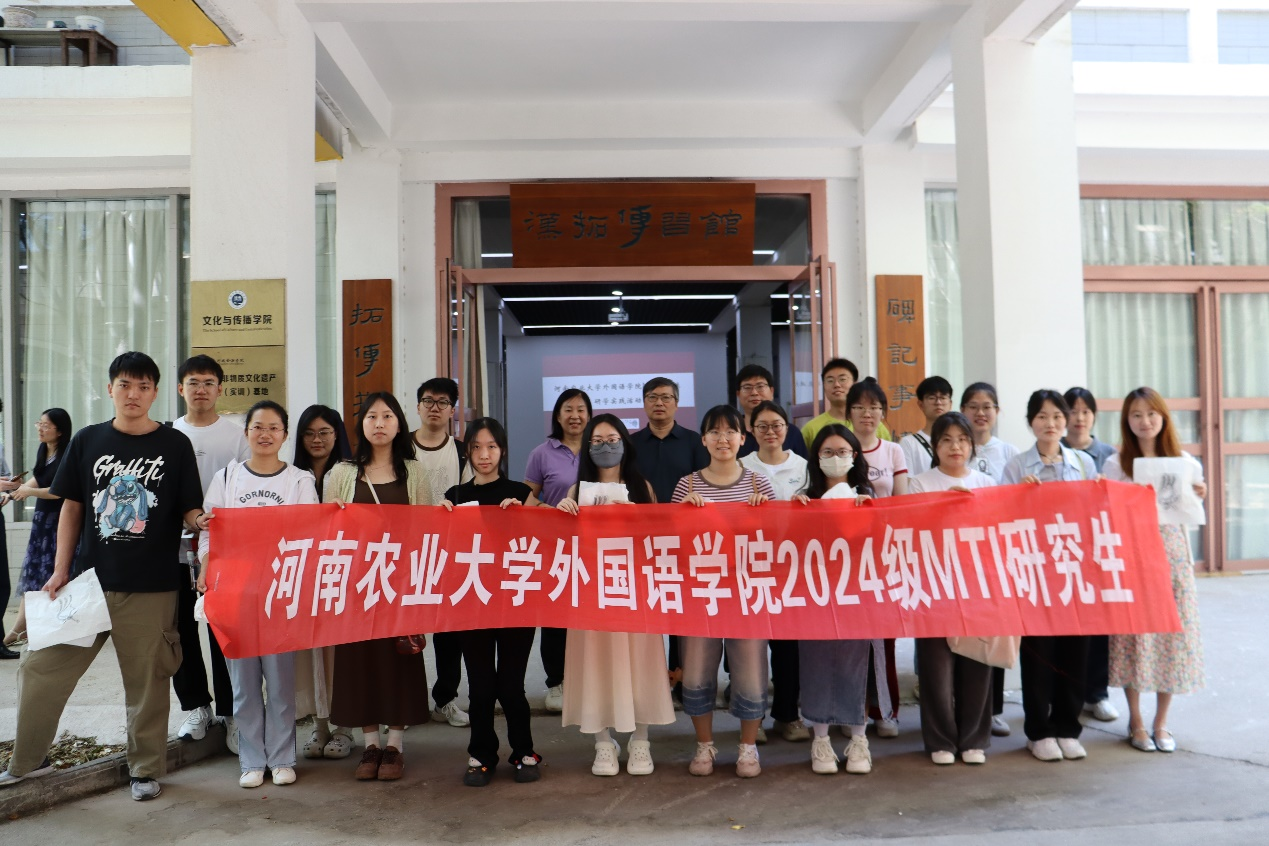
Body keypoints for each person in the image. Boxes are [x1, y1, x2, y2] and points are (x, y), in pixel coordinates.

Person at [0, 352, 206, 801]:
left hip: (152, 587)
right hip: (89, 584)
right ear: (110, 388)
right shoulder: (88, 440)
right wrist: (60, 570)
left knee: (147, 684)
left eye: (143, 387)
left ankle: (145, 770)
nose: (133, 394)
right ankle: (29, 761)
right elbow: (71, 507)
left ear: (155, 393)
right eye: (125, 385)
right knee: (39, 667)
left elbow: (189, 507)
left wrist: (202, 521)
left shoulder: (174, 445)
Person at [197, 400, 319, 788]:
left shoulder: (299, 481)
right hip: (236, 593)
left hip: (280, 594)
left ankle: (281, 758)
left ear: (285, 435)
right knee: (243, 682)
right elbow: (209, 532)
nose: (265, 434)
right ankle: (251, 760)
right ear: (247, 432)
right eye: (257, 427)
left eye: (273, 428)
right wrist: (205, 566)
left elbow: (310, 534)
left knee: (281, 682)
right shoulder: (227, 478)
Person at [556, 414, 674, 776]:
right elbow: (563, 547)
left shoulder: (642, 488)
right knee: (595, 664)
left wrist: (639, 518)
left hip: (633, 592)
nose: (604, 447)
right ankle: (603, 742)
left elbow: (659, 542)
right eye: (596, 441)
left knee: (640, 663)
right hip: (592, 593)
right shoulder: (576, 491)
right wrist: (561, 515)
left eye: (612, 439)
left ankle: (641, 740)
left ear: (625, 443)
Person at [324, 392, 429, 782]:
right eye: (372, 416)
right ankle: (370, 744)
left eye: (387, 416)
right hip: (356, 584)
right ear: (361, 425)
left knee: (399, 657)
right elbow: (326, 531)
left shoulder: (413, 472)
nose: (379, 423)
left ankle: (395, 745)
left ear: (399, 424)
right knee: (359, 660)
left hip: (400, 583)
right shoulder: (342, 472)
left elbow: (426, 529)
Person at [671, 404, 776, 778]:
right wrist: (682, 515)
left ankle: (748, 748)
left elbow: (778, 542)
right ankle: (704, 745)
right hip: (701, 595)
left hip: (747, 595)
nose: (722, 439)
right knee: (696, 673)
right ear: (703, 440)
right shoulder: (687, 485)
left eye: (730, 431)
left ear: (742, 439)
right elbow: (671, 544)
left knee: (751, 673)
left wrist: (766, 515)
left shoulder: (759, 484)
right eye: (714, 432)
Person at [1104, 387, 1206, 754]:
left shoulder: (1184, 461)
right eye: (1136, 414)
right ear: (1126, 421)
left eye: (1151, 413)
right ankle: (1135, 720)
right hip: (1132, 553)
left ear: (1163, 417)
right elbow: (1107, 510)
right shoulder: (1116, 464)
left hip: (1173, 555)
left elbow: (1190, 511)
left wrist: (1199, 492)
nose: (1144, 421)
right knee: (1133, 634)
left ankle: (1161, 722)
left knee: (1171, 634)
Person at [442, 417, 543, 787]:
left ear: (502, 450)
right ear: (467, 452)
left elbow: (551, 531)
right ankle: (481, 754)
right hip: (472, 601)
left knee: (512, 687)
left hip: (516, 601)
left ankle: (524, 752)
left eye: (492, 447)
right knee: (481, 687)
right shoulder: (454, 495)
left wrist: (527, 515)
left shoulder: (521, 492)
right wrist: (442, 519)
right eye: (476, 447)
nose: (484, 455)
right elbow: (442, 546)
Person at [1002, 390, 1097, 763]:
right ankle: (1038, 731)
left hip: (1075, 569)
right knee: (1040, 654)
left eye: (1057, 416)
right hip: (1034, 572)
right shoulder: (1016, 466)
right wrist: (1019, 497)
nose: (1051, 423)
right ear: (1031, 423)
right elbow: (1000, 517)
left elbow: (1098, 513)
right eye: (1042, 416)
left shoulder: (1084, 463)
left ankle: (1067, 728)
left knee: (1076, 651)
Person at [170, 355, 251, 750]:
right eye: (193, 382)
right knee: (180, 631)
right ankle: (196, 707)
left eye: (207, 382)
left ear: (220, 388)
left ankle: (231, 713)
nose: (200, 389)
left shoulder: (236, 437)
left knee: (223, 632)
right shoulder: (168, 434)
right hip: (173, 550)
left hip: (223, 551)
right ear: (180, 388)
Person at [909, 411, 998, 765]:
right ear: (935, 446)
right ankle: (940, 740)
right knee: (936, 670)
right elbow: (914, 533)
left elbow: (996, 532)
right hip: (933, 587)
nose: (955, 447)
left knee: (977, 664)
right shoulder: (920, 483)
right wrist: (947, 507)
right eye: (946, 440)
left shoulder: (987, 483)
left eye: (962, 439)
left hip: (976, 587)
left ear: (972, 445)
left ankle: (974, 738)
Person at [793, 424, 878, 775]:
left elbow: (881, 543)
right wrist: (795, 513)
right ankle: (821, 739)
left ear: (854, 455)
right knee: (816, 664)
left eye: (842, 451)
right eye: (827, 452)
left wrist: (869, 513)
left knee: (856, 666)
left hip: (856, 597)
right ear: (816, 457)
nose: (835, 458)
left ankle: (859, 739)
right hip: (815, 596)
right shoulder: (804, 498)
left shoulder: (867, 495)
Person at [630, 377, 709, 691]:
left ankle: (681, 677)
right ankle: (647, 681)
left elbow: (704, 483)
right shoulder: (631, 444)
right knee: (645, 609)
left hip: (683, 541)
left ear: (677, 403)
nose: (659, 403)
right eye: (652, 397)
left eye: (666, 397)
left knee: (681, 609)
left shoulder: (694, 442)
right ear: (644, 403)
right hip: (641, 541)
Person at [739, 400, 810, 743]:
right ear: (751, 430)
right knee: (750, 648)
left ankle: (787, 715)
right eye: (762, 426)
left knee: (788, 649)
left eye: (777, 425)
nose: (770, 432)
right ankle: (752, 718)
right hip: (751, 568)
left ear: (787, 428)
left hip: (792, 570)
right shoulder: (741, 466)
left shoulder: (804, 467)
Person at [291, 404, 355, 760]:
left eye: (325, 432)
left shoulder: (350, 472)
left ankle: (345, 727)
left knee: (340, 652)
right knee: (309, 653)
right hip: (304, 576)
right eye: (309, 433)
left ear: (337, 435)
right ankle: (319, 726)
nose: (317, 440)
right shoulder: (291, 476)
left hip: (341, 574)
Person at [524, 388, 592, 712]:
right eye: (568, 409)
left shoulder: (599, 449)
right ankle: (556, 683)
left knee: (590, 615)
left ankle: (588, 681)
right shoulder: (542, 453)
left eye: (581, 409)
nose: (575, 416)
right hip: (556, 547)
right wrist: (551, 511)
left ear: (589, 415)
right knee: (555, 617)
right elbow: (527, 497)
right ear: (557, 415)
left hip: (594, 547)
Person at [959, 381, 1019, 736]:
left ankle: (993, 709)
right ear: (962, 411)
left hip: (995, 555)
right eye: (973, 406)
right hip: (960, 555)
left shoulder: (1009, 452)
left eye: (987, 407)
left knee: (994, 631)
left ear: (997, 412)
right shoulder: (956, 447)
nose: (980, 413)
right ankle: (961, 705)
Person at [849, 377, 908, 736]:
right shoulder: (841, 448)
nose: (867, 413)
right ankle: (852, 709)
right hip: (847, 556)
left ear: (883, 412)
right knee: (851, 637)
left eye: (873, 407)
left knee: (885, 638)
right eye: (860, 407)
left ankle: (885, 710)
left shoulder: (893, 451)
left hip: (884, 555)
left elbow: (901, 504)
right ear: (849, 412)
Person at [410, 378, 470, 730]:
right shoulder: (400, 447)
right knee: (404, 629)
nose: (435, 407)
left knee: (450, 633)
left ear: (452, 410)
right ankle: (403, 703)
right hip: (406, 553)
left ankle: (445, 699)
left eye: (443, 402)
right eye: (428, 400)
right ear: (418, 406)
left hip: (449, 553)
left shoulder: (462, 451)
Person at [1062, 386, 1120, 724]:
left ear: (1094, 416)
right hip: (1062, 551)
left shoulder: (1109, 456)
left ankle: (1097, 694)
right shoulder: (1054, 450)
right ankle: (1064, 693)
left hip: (1099, 550)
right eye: (1073, 411)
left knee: (1100, 627)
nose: (1079, 418)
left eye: (1086, 411)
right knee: (1065, 628)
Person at [3, 408, 73, 655]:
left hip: (59, 522)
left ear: (60, 431)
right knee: (33, 576)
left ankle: (25, 630)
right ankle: (20, 630)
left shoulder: (67, 454)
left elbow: (59, 491)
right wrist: (14, 493)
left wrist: (29, 492)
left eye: (46, 425)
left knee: (52, 577)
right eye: (39, 424)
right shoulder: (44, 450)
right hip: (42, 522)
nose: (40, 429)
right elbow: (38, 479)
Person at [800, 358, 892, 446]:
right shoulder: (811, 429)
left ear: (855, 384)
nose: (836, 385)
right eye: (830, 381)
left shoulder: (874, 426)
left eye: (842, 379)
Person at [734, 364, 808, 460]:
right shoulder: (732, 432)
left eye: (760, 386)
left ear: (772, 391)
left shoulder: (792, 433)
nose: (754, 392)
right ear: (738, 394)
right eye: (747, 387)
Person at [899, 377, 954, 476]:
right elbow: (907, 482)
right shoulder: (909, 443)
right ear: (921, 404)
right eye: (932, 398)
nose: (938, 403)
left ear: (950, 404)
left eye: (943, 398)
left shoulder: (959, 442)